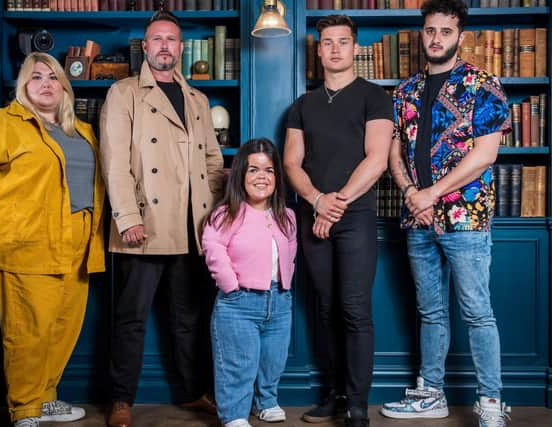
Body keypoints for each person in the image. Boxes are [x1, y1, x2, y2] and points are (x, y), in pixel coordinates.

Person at [0, 52, 106, 427]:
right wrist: (13, 209)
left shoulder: (81, 131)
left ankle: (45, 398)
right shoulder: (2, 123)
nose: (46, 83)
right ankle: (24, 410)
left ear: (64, 87)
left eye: (53, 77)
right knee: (28, 332)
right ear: (23, 85)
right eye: (36, 76)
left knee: (62, 328)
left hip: (80, 238)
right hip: (28, 240)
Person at [381, 1, 512, 426]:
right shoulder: (405, 92)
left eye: (445, 31)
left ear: (459, 36)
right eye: (430, 30)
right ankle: (431, 393)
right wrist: (410, 193)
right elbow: (394, 152)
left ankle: (491, 403)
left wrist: (431, 193)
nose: (435, 38)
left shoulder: (482, 84)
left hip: (465, 217)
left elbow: (485, 155)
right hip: (418, 218)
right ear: (422, 33)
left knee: (477, 311)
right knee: (430, 312)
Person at [99, 10, 225, 427]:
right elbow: (115, 163)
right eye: (157, 40)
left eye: (172, 40)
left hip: (193, 228)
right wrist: (127, 217)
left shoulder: (198, 99)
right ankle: (121, 400)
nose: (165, 46)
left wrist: (218, 217)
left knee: (189, 318)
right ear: (145, 47)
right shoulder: (124, 93)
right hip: (144, 225)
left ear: (181, 48)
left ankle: (192, 393)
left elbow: (211, 160)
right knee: (131, 319)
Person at [283, 14, 394, 427]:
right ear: (319, 48)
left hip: (355, 216)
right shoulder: (302, 105)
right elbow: (291, 162)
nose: (334, 49)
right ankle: (335, 393)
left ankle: (358, 405)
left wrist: (337, 203)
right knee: (327, 309)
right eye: (327, 42)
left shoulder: (375, 97)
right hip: (313, 216)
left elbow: (377, 159)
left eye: (342, 42)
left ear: (354, 48)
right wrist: (315, 200)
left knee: (354, 309)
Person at [202, 139, 297, 427]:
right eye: (253, 170)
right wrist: (230, 285)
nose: (262, 177)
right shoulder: (226, 214)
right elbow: (212, 247)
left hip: (279, 301)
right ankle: (234, 414)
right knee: (238, 364)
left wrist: (286, 284)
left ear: (277, 178)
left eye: (269, 171)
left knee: (273, 360)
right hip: (239, 304)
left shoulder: (287, 216)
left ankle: (266, 401)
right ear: (241, 175)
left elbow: (289, 254)